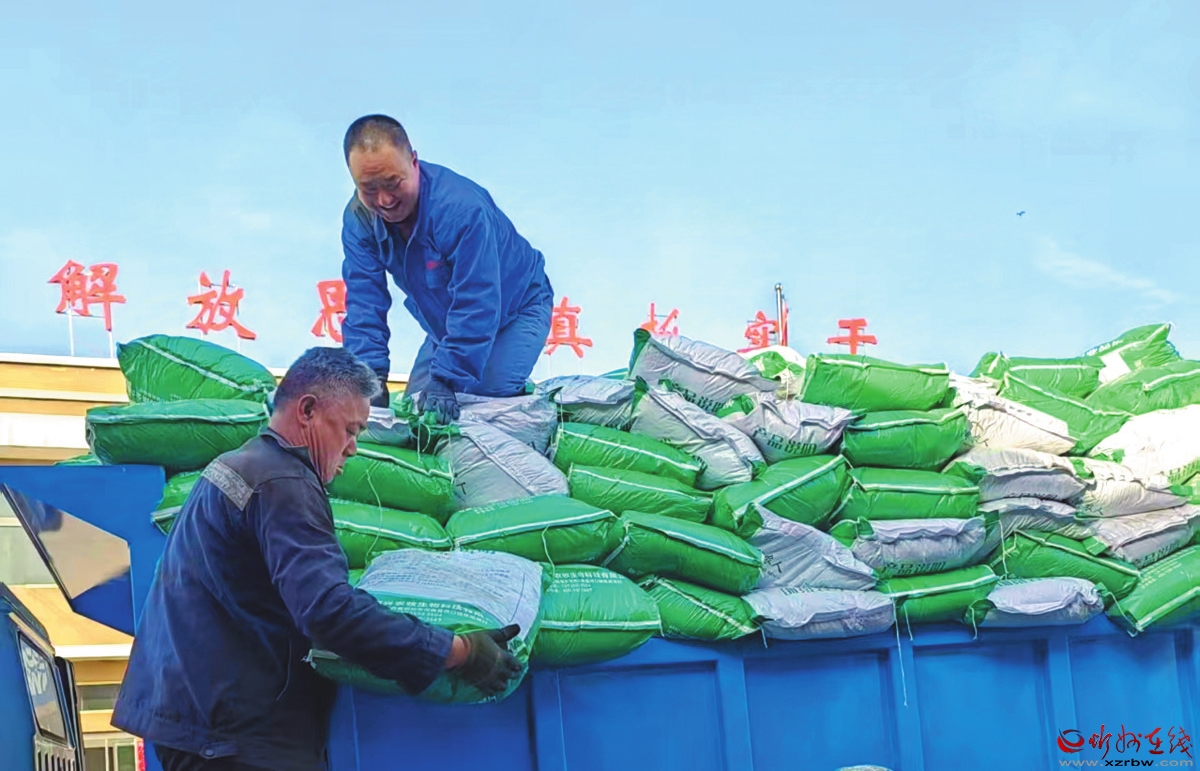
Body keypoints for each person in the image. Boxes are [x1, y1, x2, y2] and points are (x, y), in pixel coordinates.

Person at [112, 347, 522, 771]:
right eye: (349, 430)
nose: (353, 448)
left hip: (198, 720)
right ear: (307, 410)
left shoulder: (239, 466)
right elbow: (329, 611)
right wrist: (457, 651)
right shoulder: (282, 482)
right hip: (233, 735)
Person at [339, 114, 554, 424]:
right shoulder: (360, 220)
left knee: (480, 403)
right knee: (416, 411)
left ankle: (525, 397)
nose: (384, 200)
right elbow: (364, 304)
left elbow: (477, 299)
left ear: (414, 162)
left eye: (393, 183)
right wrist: (368, 378)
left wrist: (446, 378)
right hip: (446, 327)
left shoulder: (461, 210)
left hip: (516, 310)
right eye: (368, 189)